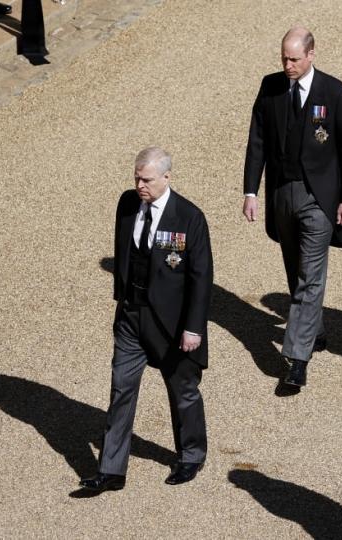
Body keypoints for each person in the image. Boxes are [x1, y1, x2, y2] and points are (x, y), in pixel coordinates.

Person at [80, 147, 213, 491]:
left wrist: (193, 328)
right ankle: (111, 470)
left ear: (167, 177)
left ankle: (191, 455)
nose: (140, 185)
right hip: (130, 318)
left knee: (182, 391)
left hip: (170, 325)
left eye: (147, 179)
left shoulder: (189, 218)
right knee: (121, 389)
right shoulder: (127, 205)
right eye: (137, 177)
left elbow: (201, 278)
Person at [242, 26, 342, 388]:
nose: (288, 65)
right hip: (282, 194)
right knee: (296, 271)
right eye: (284, 58)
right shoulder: (271, 87)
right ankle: (314, 329)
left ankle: (296, 359)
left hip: (319, 199)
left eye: (294, 59)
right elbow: (257, 141)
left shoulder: (336, 93)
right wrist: (251, 191)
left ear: (312, 55)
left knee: (310, 276)